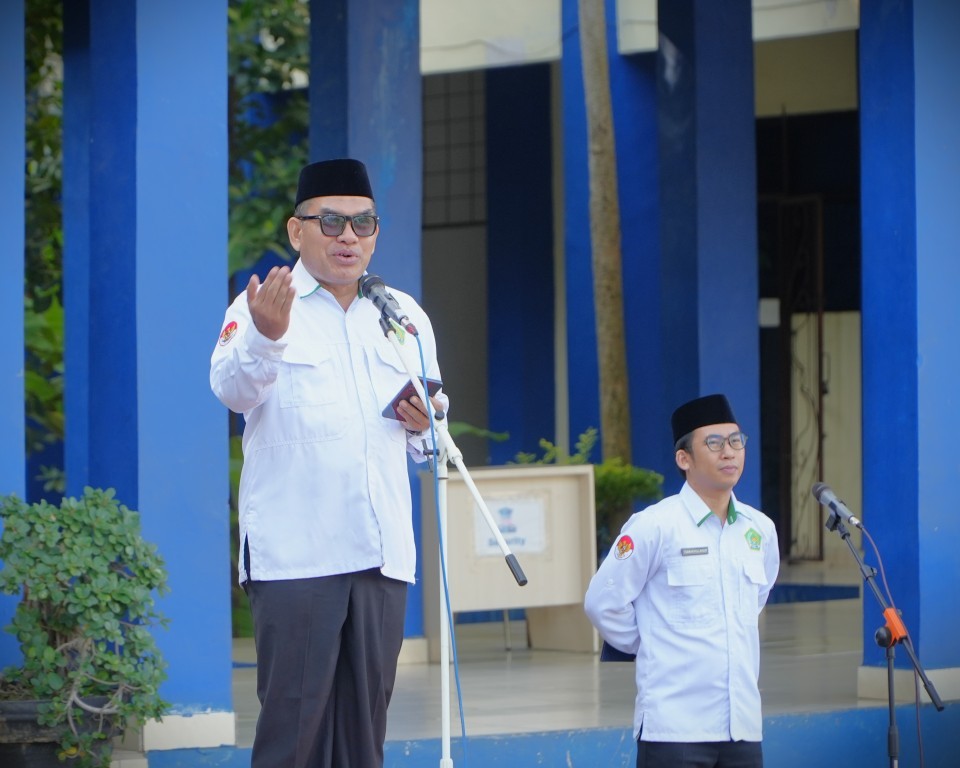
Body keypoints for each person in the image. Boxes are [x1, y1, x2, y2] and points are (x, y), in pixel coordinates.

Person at [210, 158, 447, 768]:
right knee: (293, 731)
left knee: (365, 733)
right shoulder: (262, 302)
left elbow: (427, 442)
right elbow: (232, 391)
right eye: (333, 222)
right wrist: (265, 335)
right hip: (298, 554)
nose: (349, 237)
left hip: (380, 551)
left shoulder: (402, 316)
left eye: (363, 224)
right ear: (297, 231)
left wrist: (426, 425)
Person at [584, 394, 779, 768]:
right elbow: (602, 602)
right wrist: (653, 641)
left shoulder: (759, 529)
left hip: (742, 726)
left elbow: (757, 597)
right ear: (683, 459)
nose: (730, 453)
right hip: (675, 729)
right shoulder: (655, 526)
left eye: (736, 441)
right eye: (714, 443)